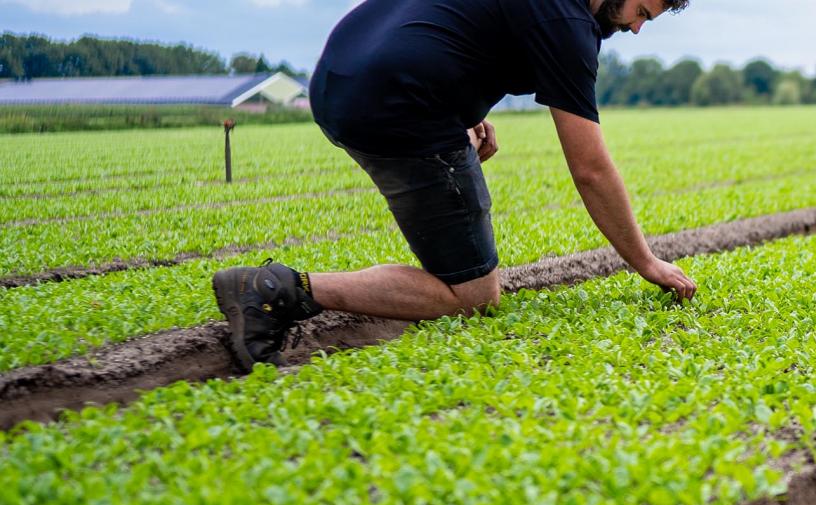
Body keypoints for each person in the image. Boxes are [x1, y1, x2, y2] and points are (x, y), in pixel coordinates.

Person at [211, 0, 698, 373]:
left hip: (337, 81)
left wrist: (467, 111)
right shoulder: (567, 25)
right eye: (642, 13)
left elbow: (460, 27)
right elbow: (590, 168)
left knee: (460, 263)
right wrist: (646, 261)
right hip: (398, 104)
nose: (635, 28)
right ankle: (274, 289)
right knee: (471, 294)